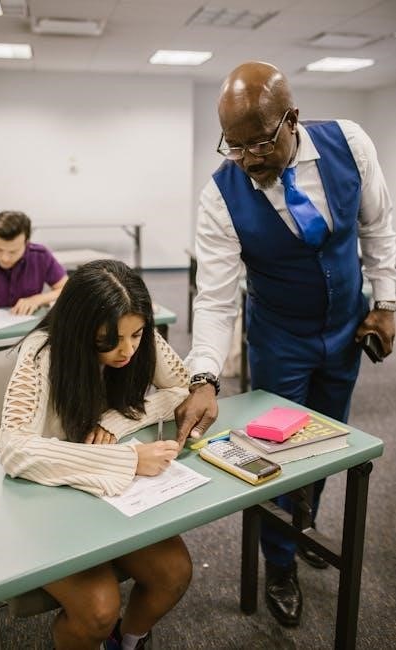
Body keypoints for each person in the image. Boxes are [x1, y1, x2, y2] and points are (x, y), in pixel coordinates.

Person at [175, 61, 396, 627]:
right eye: (234, 146)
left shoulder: (350, 144)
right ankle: (279, 562)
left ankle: (301, 526)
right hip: (279, 339)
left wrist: (387, 302)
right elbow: (215, 299)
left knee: (324, 443)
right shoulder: (220, 195)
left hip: (346, 329)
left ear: (291, 119)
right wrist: (204, 376)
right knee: (275, 452)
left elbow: (378, 228)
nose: (247, 159)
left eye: (258, 143)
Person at [0, 259, 192, 650]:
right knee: (99, 608)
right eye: (110, 340)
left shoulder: (132, 332)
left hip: (97, 492)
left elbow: (182, 391)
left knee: (174, 572)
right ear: (80, 328)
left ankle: (126, 642)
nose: (127, 350)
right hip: (34, 496)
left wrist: (115, 422)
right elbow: (14, 448)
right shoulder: (41, 352)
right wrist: (129, 460)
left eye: (137, 335)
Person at [0, 210, 68, 321]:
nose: (5, 258)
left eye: (13, 252)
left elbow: (65, 289)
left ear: (26, 243)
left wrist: (37, 300)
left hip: (28, 323)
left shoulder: (40, 256)